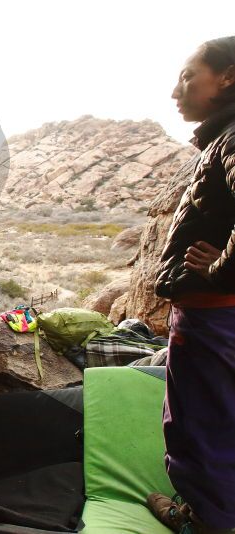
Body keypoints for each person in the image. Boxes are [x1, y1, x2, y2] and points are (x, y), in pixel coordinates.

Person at [149, 36, 235, 534]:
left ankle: (202, 521)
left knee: (199, 423)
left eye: (188, 75)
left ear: (226, 77)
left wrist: (220, 269)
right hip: (221, 308)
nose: (177, 89)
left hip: (212, 310)